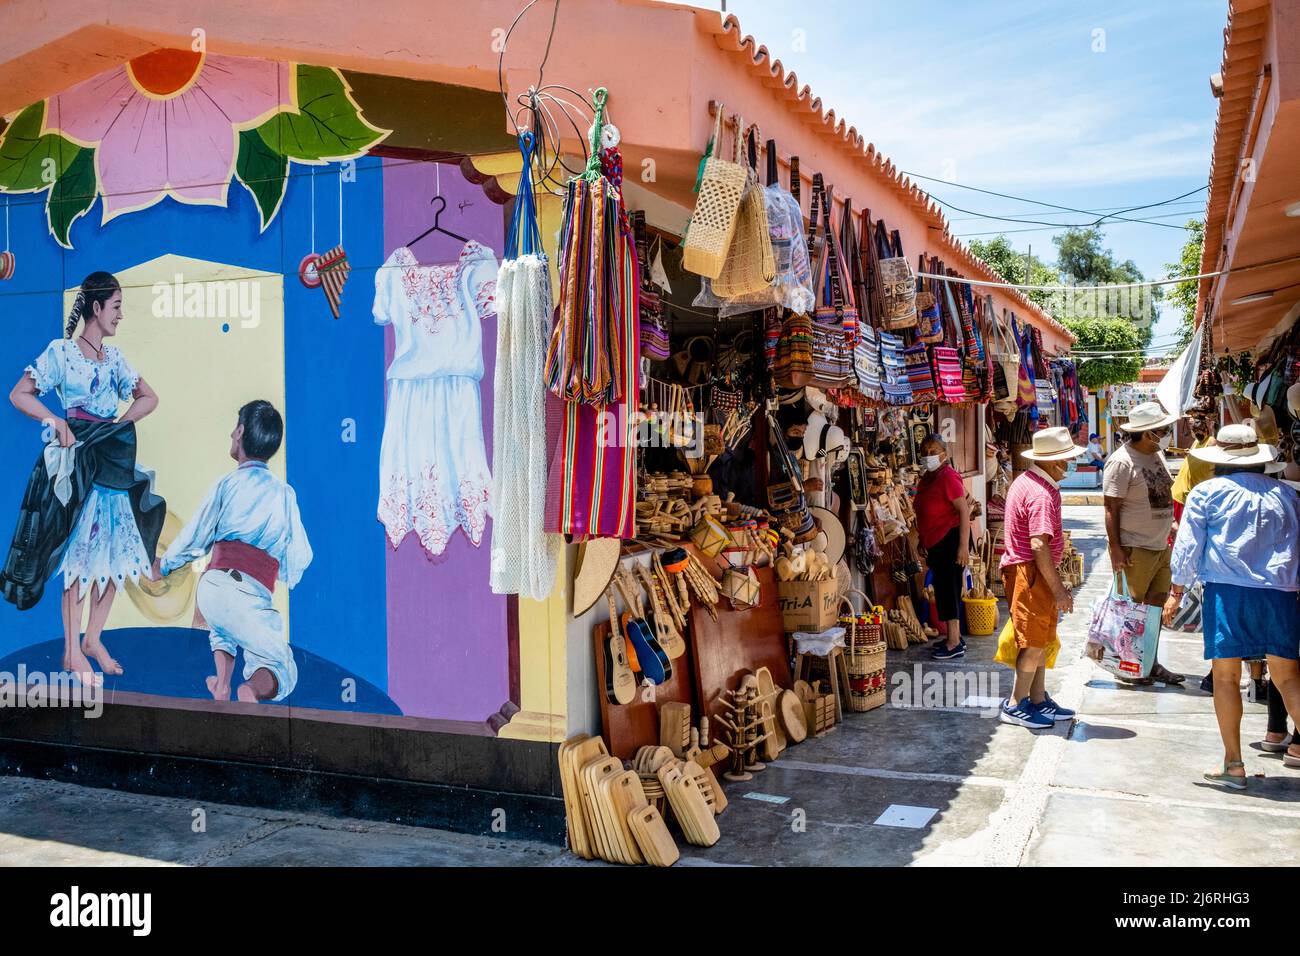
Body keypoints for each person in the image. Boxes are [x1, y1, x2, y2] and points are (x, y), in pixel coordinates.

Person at [3, 272, 164, 682]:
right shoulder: (62, 352)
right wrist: (55, 420)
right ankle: (72, 652)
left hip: (109, 460)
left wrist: (120, 424)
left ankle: (93, 638)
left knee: (114, 559)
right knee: (76, 560)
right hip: (78, 462)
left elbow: (149, 397)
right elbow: (19, 393)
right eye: (116, 307)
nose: (120, 316)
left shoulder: (116, 359)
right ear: (96, 308)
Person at [1163, 424, 1300, 789]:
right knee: (1287, 678)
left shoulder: (1207, 493)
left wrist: (1176, 592)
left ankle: (1234, 764)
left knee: (1226, 678)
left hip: (1227, 593)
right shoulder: (1287, 495)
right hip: (1281, 593)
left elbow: (1188, 548)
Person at [155, 401, 312, 703]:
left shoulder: (226, 483)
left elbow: (195, 536)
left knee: (223, 628)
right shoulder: (283, 494)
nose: (230, 435)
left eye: (233, 430)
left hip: (211, 587)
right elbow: (300, 556)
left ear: (240, 432)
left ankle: (222, 685)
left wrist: (165, 565)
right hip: (251, 590)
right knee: (281, 665)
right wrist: (286, 573)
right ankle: (249, 690)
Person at [998, 427, 1086, 729]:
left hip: (1029, 571)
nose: (1069, 465)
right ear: (1054, 462)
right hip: (1029, 572)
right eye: (1067, 459)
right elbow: (1039, 544)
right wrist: (1059, 590)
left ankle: (1037, 698)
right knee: (1033, 642)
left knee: (1040, 639)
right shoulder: (1040, 493)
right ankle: (1016, 703)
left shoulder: (1028, 482)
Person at [1102, 400, 1185, 686]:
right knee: (1131, 611)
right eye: (1162, 429)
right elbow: (1111, 508)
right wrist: (1116, 548)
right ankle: (1128, 666)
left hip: (1161, 546)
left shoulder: (1156, 455)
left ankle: (1149, 662)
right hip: (1135, 548)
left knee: (1154, 609)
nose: (1166, 432)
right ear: (1148, 432)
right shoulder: (1121, 461)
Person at [914, 434, 971, 660]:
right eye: (925, 452)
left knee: (948, 590)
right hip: (936, 543)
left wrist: (963, 547)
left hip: (950, 540)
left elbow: (964, 510)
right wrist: (921, 538)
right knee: (944, 588)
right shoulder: (928, 478)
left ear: (944, 454)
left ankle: (954, 641)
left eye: (933, 451)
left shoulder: (948, 476)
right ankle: (953, 638)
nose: (929, 456)